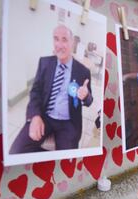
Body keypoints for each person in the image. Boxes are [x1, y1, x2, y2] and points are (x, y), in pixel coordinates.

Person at [10, 25, 92, 153]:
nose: (59, 45)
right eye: (56, 39)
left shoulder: (83, 71)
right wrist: (35, 116)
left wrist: (86, 96)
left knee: (67, 161)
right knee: (16, 151)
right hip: (45, 116)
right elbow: (35, 91)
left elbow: (89, 101)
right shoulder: (44, 63)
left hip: (68, 122)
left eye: (64, 39)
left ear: (72, 43)